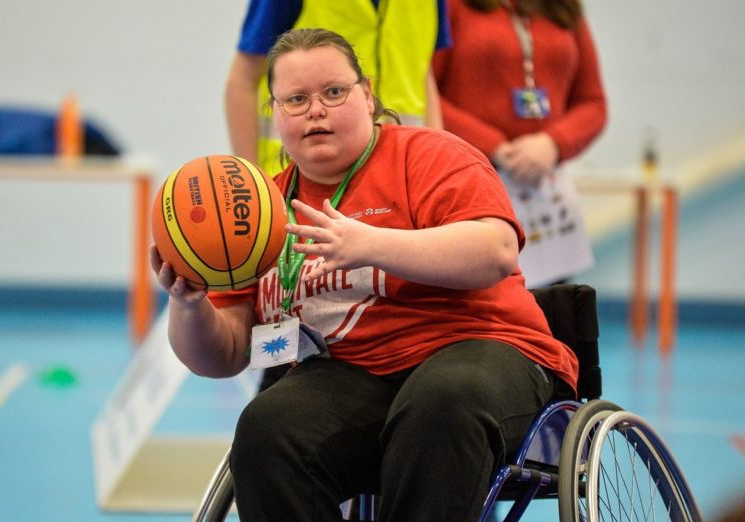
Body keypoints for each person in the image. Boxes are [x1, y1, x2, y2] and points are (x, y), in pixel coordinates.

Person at [152, 28, 577, 522]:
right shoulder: (258, 214)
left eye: (334, 92)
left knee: (441, 400)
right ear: (275, 112)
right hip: (352, 376)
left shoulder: (429, 154)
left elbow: (495, 251)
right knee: (269, 427)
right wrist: (188, 304)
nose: (316, 111)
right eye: (297, 99)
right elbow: (223, 356)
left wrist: (370, 243)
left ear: (368, 95)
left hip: (481, 350)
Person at [228, 0, 452, 392]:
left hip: (400, 185)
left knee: (402, 321)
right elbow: (242, 80)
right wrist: (254, 187)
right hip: (305, 195)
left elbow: (423, 76)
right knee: (300, 334)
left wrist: (442, 155)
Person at [432, 0, 607, 287]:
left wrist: (552, 143)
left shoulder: (563, 7)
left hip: (544, 190)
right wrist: (496, 147)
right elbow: (426, 97)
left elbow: (593, 102)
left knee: (553, 310)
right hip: (471, 181)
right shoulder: (451, 6)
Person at [226, 0, 450, 175]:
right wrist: (254, 185)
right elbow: (243, 80)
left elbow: (421, 70)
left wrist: (438, 160)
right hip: (298, 179)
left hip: (402, 173)